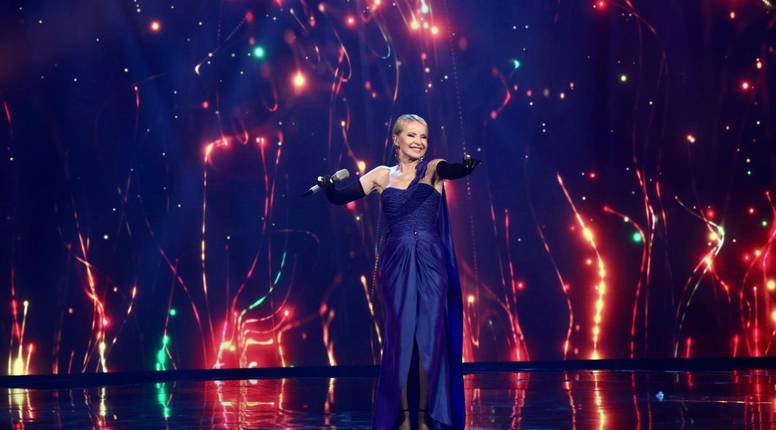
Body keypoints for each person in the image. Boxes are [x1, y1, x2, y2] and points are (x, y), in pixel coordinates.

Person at [320, 114, 479, 429]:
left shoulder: (433, 169)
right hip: (396, 262)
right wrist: (328, 188)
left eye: (424, 136)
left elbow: (452, 170)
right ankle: (403, 416)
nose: (419, 142)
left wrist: (465, 168)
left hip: (431, 262)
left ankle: (424, 416)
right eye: (412, 135)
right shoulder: (381, 175)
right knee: (401, 339)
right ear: (396, 139)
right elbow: (340, 197)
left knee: (429, 340)